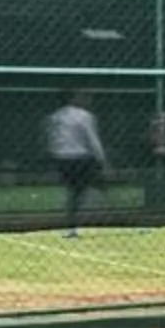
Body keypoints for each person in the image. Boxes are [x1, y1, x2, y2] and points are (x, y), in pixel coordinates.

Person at [44, 91, 110, 237]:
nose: (88, 99)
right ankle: (75, 220)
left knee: (77, 190)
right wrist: (102, 160)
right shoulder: (84, 116)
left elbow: (51, 138)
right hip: (79, 158)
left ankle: (74, 219)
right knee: (83, 189)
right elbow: (93, 139)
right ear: (73, 98)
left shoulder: (56, 116)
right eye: (84, 96)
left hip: (61, 158)